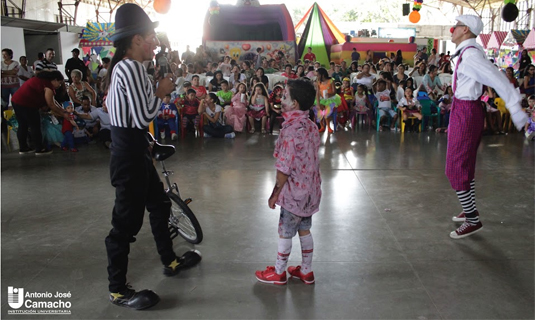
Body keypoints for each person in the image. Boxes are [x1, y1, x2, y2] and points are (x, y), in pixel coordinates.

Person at [104, 4, 201, 310]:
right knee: (125, 225)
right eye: (151, 37)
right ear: (135, 40)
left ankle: (170, 260)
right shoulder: (129, 68)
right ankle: (118, 290)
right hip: (129, 155)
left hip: (134, 149)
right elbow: (145, 114)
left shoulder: (125, 67)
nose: (156, 43)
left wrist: (157, 91)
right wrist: (161, 92)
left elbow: (117, 108)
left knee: (159, 204)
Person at [446, 15, 527, 239]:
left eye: (457, 25)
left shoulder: (470, 55)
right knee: (465, 163)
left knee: (456, 166)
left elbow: (496, 78)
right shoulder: (469, 52)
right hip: (464, 109)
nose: (452, 29)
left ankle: (473, 220)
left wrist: (516, 109)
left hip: (466, 111)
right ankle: (469, 209)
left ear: (466, 30)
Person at [255, 78, 321, 285]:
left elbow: (284, 169)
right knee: (304, 229)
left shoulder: (290, 131)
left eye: (285, 96)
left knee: (285, 232)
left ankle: (279, 272)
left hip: (294, 194)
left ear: (294, 104)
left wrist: (275, 193)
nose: (281, 99)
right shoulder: (311, 126)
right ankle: (307, 271)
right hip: (311, 191)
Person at [11, 70, 65, 154]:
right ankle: (39, 149)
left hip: (16, 101)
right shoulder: (48, 85)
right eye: (60, 83)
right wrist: (64, 114)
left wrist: (62, 110)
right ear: (54, 80)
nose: (59, 85)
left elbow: (53, 102)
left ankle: (23, 148)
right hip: (27, 104)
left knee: (23, 125)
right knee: (35, 126)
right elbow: (51, 104)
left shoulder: (41, 80)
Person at [315, 67, 341, 133]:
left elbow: (334, 91)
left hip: (330, 98)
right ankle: (322, 126)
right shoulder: (318, 82)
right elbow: (317, 93)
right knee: (318, 110)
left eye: (318, 75)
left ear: (322, 75)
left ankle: (328, 126)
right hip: (322, 99)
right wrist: (318, 103)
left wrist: (330, 94)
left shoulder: (331, 80)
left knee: (327, 110)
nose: (317, 76)